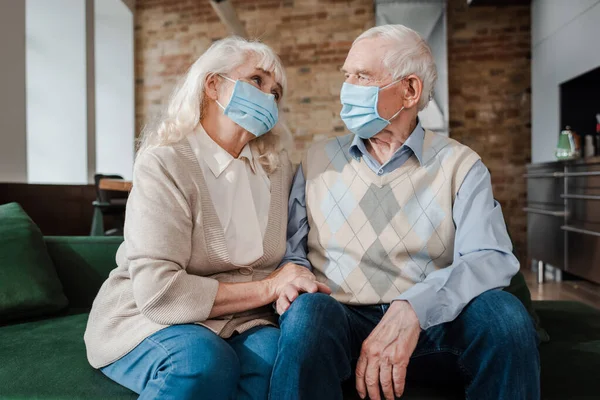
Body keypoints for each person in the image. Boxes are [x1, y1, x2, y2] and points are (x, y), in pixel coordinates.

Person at [269, 25, 540, 400]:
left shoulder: (461, 164)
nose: (347, 88)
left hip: (431, 323)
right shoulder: (316, 160)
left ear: (410, 90)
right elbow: (293, 252)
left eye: (362, 76)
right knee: (307, 314)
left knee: (504, 316)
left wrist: (414, 307)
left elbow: (489, 257)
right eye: (347, 75)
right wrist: (292, 271)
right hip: (342, 319)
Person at [84, 37, 329, 400]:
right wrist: (268, 287)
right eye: (257, 81)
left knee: (280, 359)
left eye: (276, 92)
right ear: (212, 84)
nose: (268, 96)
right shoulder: (165, 163)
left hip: (240, 318)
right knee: (202, 362)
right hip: (149, 314)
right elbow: (159, 292)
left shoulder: (278, 171)